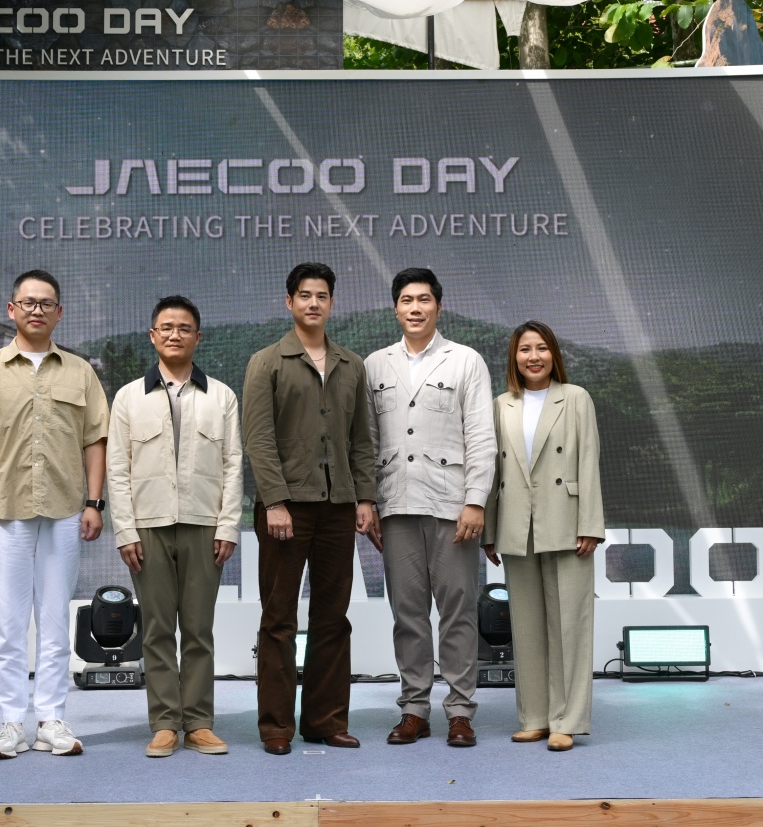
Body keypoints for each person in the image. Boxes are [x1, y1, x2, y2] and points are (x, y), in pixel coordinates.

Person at [0, 269, 109, 759]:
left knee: (55, 623)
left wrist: (94, 503)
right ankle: (10, 723)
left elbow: (95, 441)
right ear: (12, 309)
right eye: (28, 302)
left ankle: (51, 719)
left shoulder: (80, 372)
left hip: (64, 512)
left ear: (59, 313)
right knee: (9, 626)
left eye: (46, 303)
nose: (37, 310)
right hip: (4, 513)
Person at [242, 262, 377, 756]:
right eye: (304, 295)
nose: (313, 303)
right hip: (285, 511)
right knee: (278, 618)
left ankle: (325, 721)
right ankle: (276, 726)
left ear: (331, 303)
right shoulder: (267, 362)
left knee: (332, 617)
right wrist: (275, 501)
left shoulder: (351, 365)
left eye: (321, 295)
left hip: (338, 507)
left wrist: (365, 497)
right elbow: (258, 439)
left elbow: (361, 439)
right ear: (290, 302)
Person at [364, 268, 495, 748]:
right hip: (396, 504)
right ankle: (414, 709)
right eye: (406, 300)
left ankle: (460, 711)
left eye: (423, 299)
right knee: (408, 613)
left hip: (451, 506)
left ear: (439, 306)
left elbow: (481, 437)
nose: (415, 308)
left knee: (458, 611)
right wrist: (368, 500)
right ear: (395, 308)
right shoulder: (375, 365)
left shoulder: (465, 361)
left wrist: (475, 501)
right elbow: (366, 440)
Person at [107, 295, 243, 758]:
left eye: (184, 328)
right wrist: (126, 530)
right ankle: (165, 722)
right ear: (152, 335)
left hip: (205, 524)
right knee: (158, 630)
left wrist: (228, 526)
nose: (174, 335)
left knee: (199, 629)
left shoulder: (222, 396)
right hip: (149, 526)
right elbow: (118, 470)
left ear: (197, 337)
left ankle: (199, 723)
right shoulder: (128, 397)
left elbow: (233, 465)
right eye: (166, 327)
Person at [482, 320, 605, 753]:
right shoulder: (500, 405)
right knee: (527, 626)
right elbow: (493, 470)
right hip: (517, 523)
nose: (533, 356)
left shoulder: (575, 398)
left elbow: (588, 460)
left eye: (541, 348)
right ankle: (534, 717)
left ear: (554, 353)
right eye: (524, 349)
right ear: (513, 358)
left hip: (567, 521)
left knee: (570, 625)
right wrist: (490, 530)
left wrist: (590, 524)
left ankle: (566, 721)